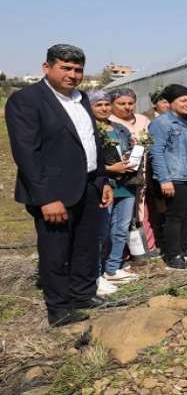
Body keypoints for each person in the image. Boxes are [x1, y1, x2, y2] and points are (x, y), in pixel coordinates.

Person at [5, 44, 113, 326]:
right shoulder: (26, 100)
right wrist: (46, 198)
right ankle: (59, 308)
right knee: (56, 251)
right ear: (47, 68)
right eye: (65, 68)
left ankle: (82, 294)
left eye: (78, 69)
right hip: (54, 192)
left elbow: (92, 143)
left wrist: (102, 179)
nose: (73, 74)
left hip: (89, 185)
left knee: (86, 245)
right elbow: (26, 153)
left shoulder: (82, 99)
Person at [149, 84, 187, 270]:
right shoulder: (162, 123)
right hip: (176, 176)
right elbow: (156, 152)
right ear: (170, 103)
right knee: (174, 216)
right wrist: (164, 179)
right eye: (183, 100)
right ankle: (173, 255)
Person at [89, 90, 140, 289]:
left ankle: (113, 267)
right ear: (90, 107)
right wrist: (110, 169)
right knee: (102, 231)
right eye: (98, 105)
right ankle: (96, 273)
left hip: (125, 184)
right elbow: (88, 160)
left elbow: (128, 151)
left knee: (121, 228)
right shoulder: (89, 130)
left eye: (106, 104)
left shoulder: (120, 128)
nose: (104, 108)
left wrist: (133, 155)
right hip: (104, 184)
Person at [109, 87, 159, 259]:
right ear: (112, 104)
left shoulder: (142, 120)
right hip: (121, 175)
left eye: (130, 103)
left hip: (143, 171)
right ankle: (121, 252)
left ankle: (146, 247)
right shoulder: (108, 122)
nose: (127, 107)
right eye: (121, 103)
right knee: (122, 214)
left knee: (142, 208)